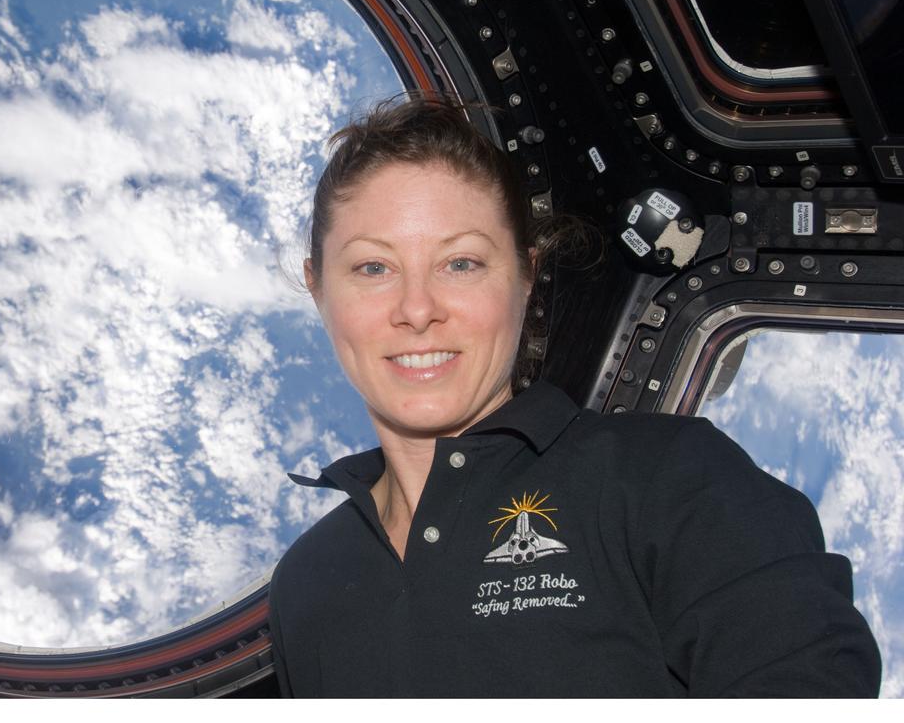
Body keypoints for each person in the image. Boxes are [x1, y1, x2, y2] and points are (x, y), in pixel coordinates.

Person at [267, 93, 881, 697]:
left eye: (461, 263)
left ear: (526, 278)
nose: (418, 309)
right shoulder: (305, 582)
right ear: (318, 289)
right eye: (373, 268)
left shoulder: (664, 476)